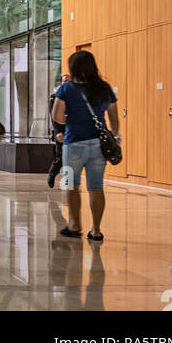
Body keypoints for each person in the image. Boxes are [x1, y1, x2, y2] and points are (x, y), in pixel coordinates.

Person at [51, 50, 120, 243]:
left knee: (72, 186)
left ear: (73, 68)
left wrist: (72, 119)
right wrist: (113, 137)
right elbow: (114, 120)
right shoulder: (105, 88)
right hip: (98, 145)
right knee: (96, 187)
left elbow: (56, 116)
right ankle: (96, 230)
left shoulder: (66, 89)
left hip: (73, 143)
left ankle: (74, 225)